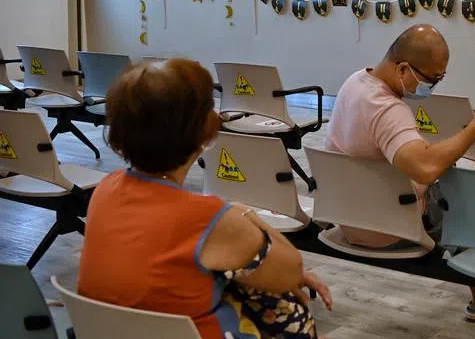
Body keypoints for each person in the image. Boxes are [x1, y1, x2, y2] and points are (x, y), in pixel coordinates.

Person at [79, 59, 332, 339]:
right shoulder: (207, 219)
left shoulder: (105, 190)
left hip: (106, 332)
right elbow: (292, 270)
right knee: (290, 312)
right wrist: (242, 212)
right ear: (201, 129)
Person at [324, 24, 475, 323]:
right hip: (390, 224)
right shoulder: (387, 109)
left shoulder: (356, 83)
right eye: (431, 79)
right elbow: (425, 167)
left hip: (350, 215)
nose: (432, 87)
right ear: (403, 68)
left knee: (468, 170)